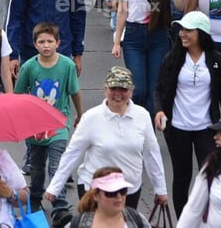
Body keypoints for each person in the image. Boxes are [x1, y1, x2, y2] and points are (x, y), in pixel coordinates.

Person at [45, 66, 169, 209]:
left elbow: (151, 153)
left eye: (123, 89)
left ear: (132, 90)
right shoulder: (91, 118)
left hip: (129, 191)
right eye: (113, 88)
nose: (118, 94)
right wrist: (55, 187)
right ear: (105, 89)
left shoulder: (142, 115)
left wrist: (161, 189)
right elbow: (73, 153)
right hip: (95, 191)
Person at [154, 11, 221, 215]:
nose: (182, 34)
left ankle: (206, 218)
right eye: (181, 29)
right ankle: (182, 220)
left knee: (209, 176)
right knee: (182, 176)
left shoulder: (218, 60)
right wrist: (160, 110)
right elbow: (160, 88)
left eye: (188, 30)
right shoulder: (172, 58)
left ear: (202, 33)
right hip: (178, 128)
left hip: (207, 128)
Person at [15, 22, 83, 226]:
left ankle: (60, 206)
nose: (46, 45)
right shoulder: (29, 67)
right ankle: (36, 195)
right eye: (41, 42)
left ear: (58, 43)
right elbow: (19, 95)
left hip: (58, 125)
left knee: (57, 165)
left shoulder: (67, 65)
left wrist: (80, 114)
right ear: (35, 44)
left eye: (50, 41)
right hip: (34, 127)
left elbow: (74, 92)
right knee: (36, 166)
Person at [112, 0, 187, 113]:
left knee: (155, 89)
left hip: (158, 35)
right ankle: (137, 127)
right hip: (134, 35)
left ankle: (149, 134)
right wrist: (117, 41)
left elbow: (180, 5)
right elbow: (122, 11)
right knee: (139, 89)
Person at [68, 167, 153, 228]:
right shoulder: (78, 223)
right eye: (111, 192)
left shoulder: (137, 219)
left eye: (123, 191)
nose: (119, 196)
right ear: (96, 195)